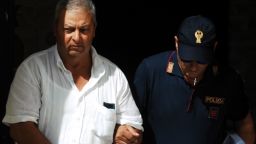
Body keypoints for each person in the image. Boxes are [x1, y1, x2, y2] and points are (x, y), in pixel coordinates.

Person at [2, 0, 143, 144]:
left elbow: (133, 129)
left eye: (84, 30)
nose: (76, 38)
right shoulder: (33, 69)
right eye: (69, 29)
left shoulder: (114, 76)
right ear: (56, 29)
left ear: (94, 30)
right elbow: (19, 127)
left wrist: (125, 133)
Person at [133, 15, 255, 144]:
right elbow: (128, 123)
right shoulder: (150, 70)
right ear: (176, 43)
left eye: (201, 60)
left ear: (214, 47)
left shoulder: (228, 79)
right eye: (187, 59)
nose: (194, 68)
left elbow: (245, 124)